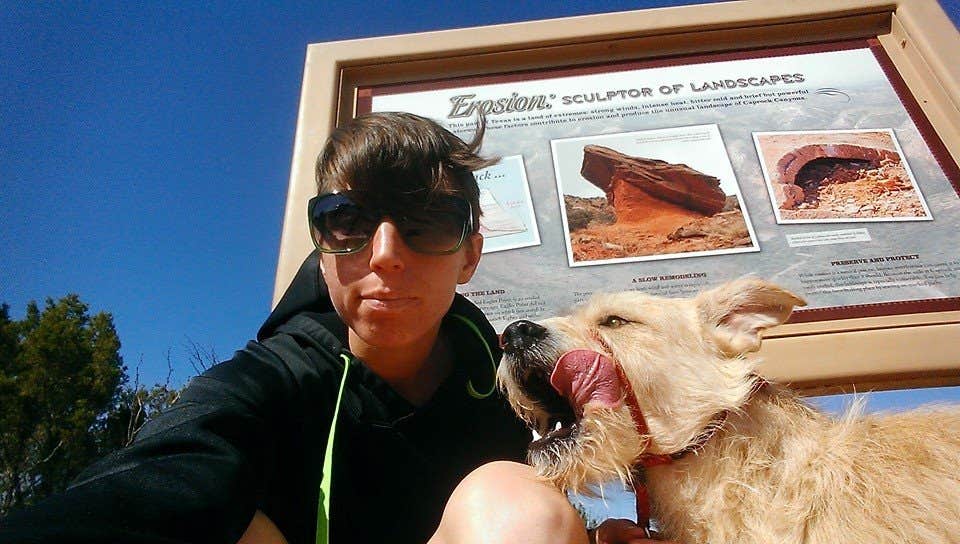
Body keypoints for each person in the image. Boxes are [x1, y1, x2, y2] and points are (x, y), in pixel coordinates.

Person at [0, 112, 664, 544]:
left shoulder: (514, 395)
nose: (385, 254)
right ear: (321, 248)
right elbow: (162, 479)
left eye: (428, 222)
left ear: (469, 255)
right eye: (347, 221)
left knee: (516, 503)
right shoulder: (273, 380)